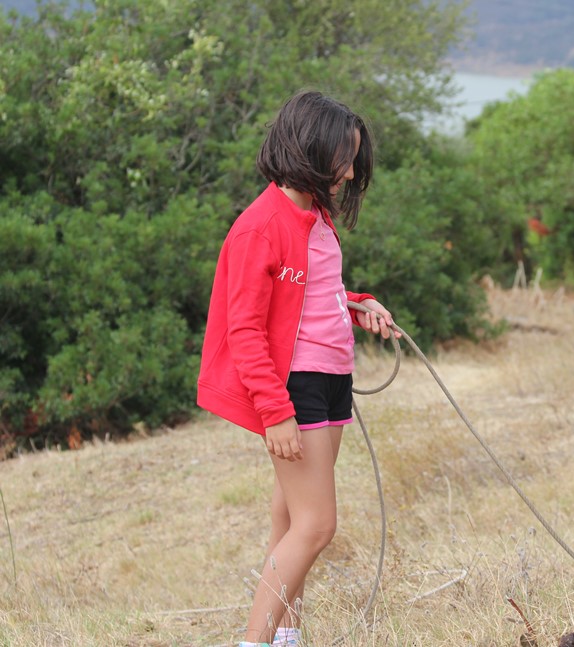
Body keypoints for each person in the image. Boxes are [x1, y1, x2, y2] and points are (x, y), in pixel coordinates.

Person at [197, 90, 399, 647]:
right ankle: (254, 643)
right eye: (344, 156)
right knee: (316, 526)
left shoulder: (316, 216)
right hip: (296, 388)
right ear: (309, 147)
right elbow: (245, 331)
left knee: (291, 524)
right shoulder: (260, 226)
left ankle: (287, 639)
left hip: (334, 382)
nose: (351, 170)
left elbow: (318, 293)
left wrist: (361, 305)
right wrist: (275, 413)